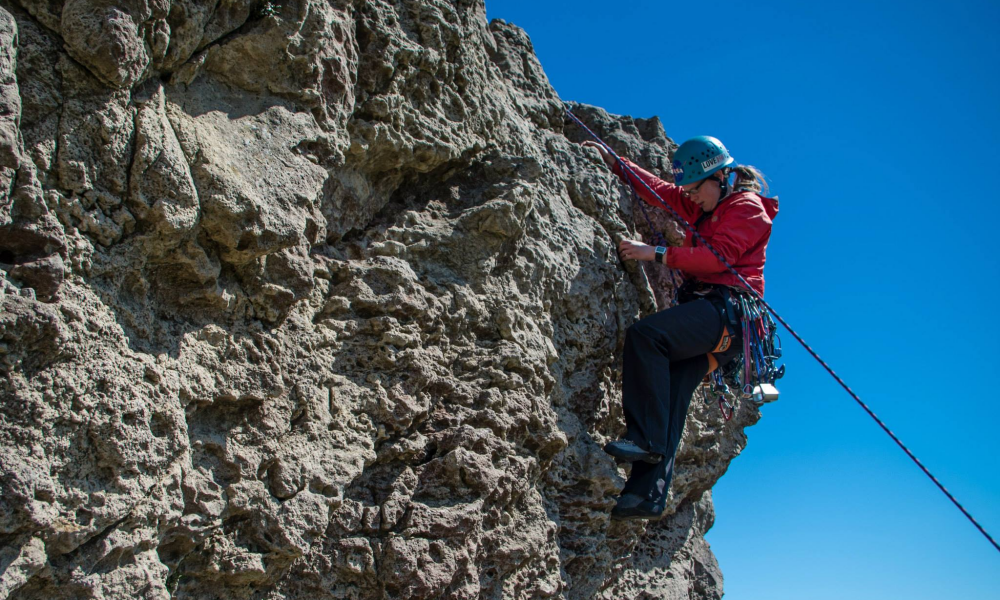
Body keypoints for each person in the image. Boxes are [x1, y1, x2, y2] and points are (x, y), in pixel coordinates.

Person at [582, 135, 779, 520]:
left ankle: (645, 438)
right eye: (687, 190)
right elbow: (659, 191)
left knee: (647, 336)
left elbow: (718, 259)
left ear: (720, 177)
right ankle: (645, 495)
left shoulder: (746, 207)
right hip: (718, 322)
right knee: (670, 390)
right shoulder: (702, 207)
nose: (690, 197)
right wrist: (614, 160)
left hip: (729, 312)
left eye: (696, 188)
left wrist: (654, 253)